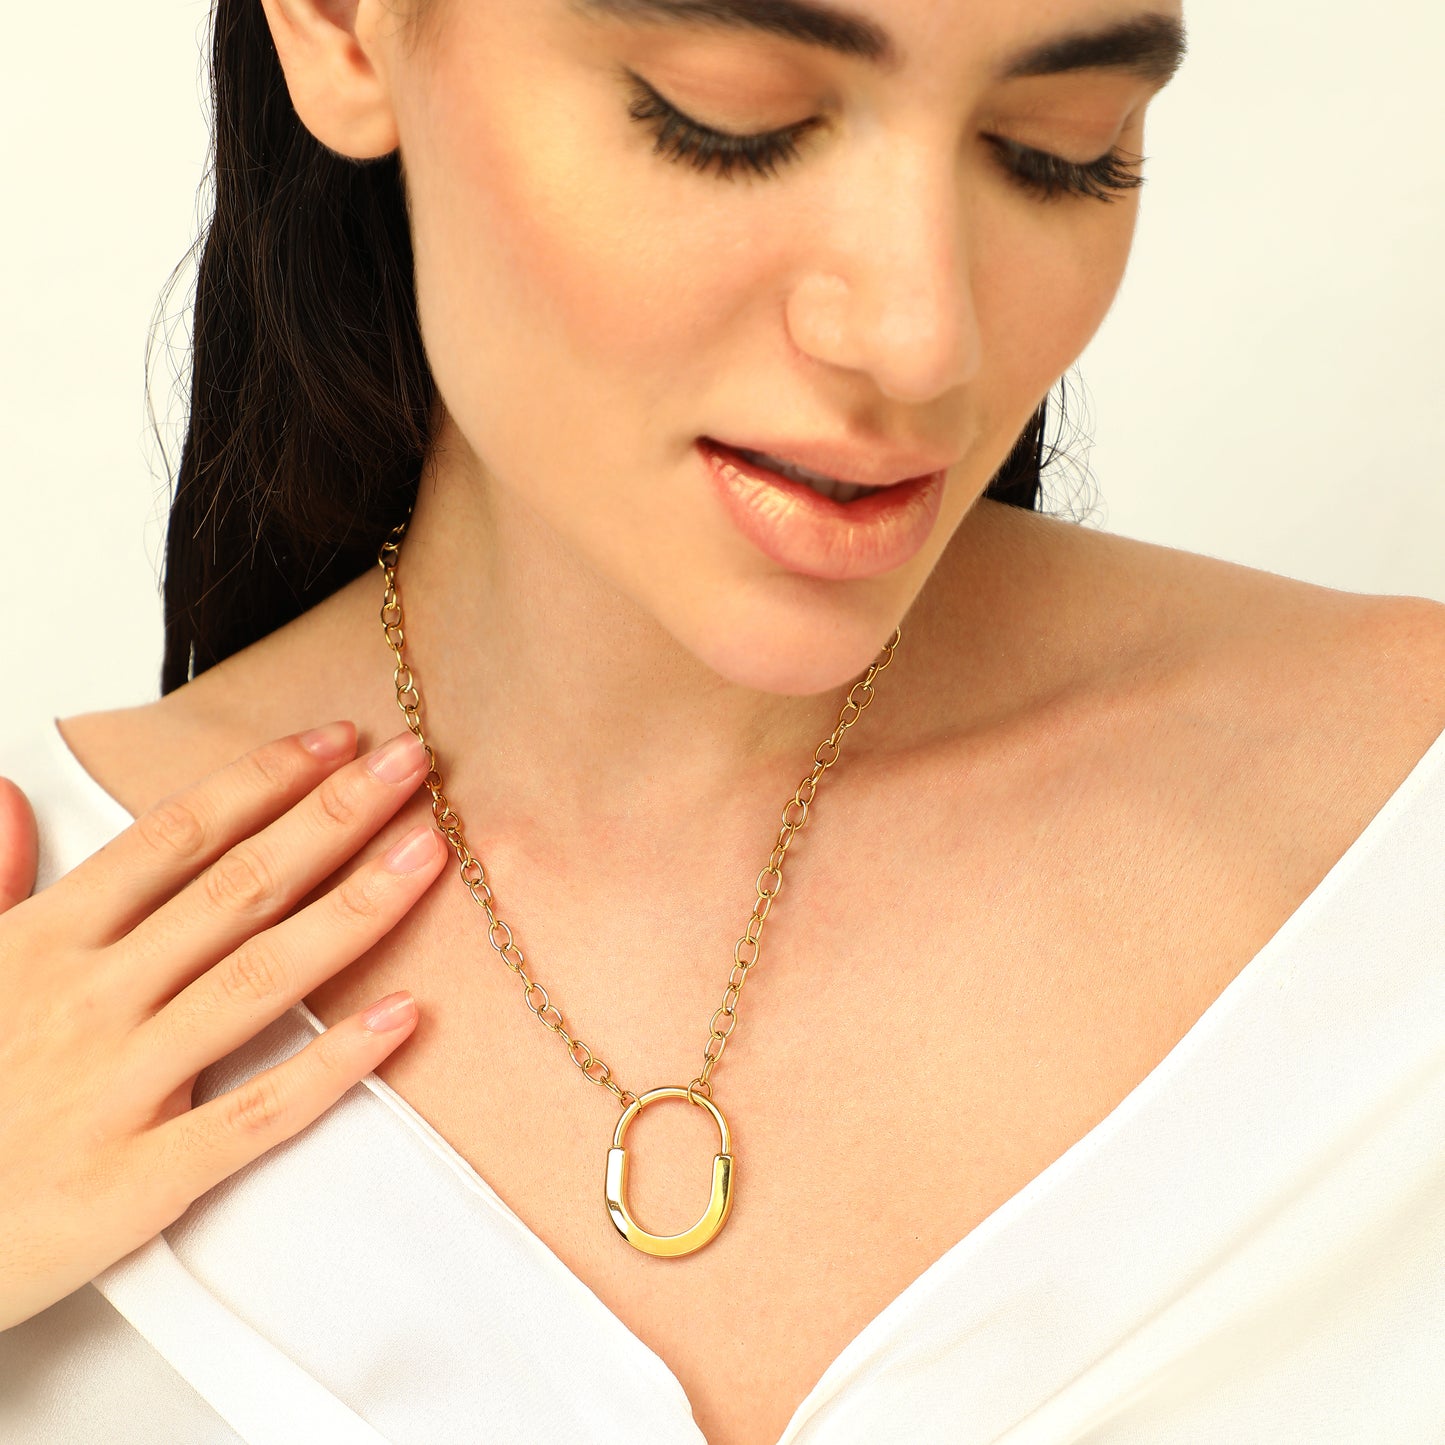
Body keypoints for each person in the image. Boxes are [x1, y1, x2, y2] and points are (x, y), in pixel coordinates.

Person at [2, 0, 1442, 1441]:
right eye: (729, 123)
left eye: (1057, 151)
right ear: (342, 25)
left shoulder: (1404, 834)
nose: (919, 340)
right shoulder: (40, 956)